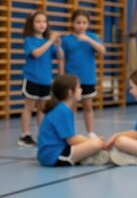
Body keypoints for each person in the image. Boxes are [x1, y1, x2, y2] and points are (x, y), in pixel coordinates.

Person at [37, 74, 109, 167]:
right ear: (70, 92)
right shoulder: (62, 110)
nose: (81, 90)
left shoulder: (62, 109)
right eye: (79, 87)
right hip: (54, 156)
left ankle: (88, 157)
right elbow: (71, 140)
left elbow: (70, 138)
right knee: (96, 144)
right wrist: (92, 141)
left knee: (94, 142)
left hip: (53, 153)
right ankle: (88, 157)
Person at [19, 11, 64, 147]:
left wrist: (57, 44)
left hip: (46, 80)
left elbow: (60, 56)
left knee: (42, 108)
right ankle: (25, 135)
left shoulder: (47, 42)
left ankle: (42, 133)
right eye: (38, 21)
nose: (42, 24)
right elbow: (36, 54)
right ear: (31, 24)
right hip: (32, 79)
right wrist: (50, 41)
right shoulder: (29, 40)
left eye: (44, 21)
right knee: (29, 107)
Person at [62, 9, 105, 137]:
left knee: (88, 106)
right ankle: (70, 133)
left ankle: (90, 132)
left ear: (88, 24)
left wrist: (88, 40)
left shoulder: (92, 37)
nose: (81, 25)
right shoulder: (67, 40)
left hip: (88, 79)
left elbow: (102, 51)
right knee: (70, 107)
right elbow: (61, 58)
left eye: (84, 23)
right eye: (78, 22)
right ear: (72, 23)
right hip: (72, 80)